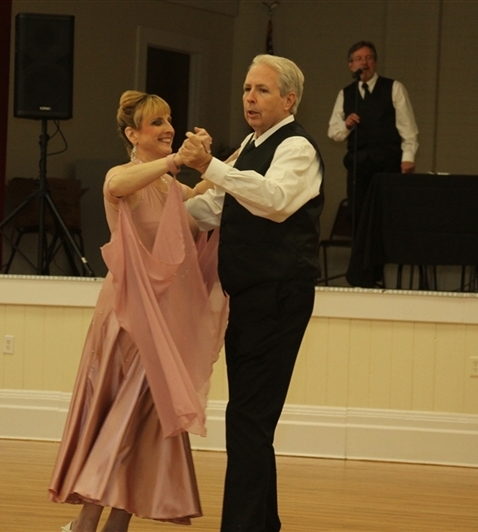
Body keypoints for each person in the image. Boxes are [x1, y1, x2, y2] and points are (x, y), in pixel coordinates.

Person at [48, 91, 228, 532]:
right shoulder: (123, 176)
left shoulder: (171, 187)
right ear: (132, 135)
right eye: (156, 123)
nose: (168, 128)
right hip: (129, 315)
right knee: (125, 414)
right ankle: (87, 522)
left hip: (162, 317)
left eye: (169, 120)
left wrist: (220, 159)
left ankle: (113, 523)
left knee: (147, 421)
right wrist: (176, 161)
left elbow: (201, 196)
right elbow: (116, 187)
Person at [179, 54, 323, 531]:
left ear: (289, 99)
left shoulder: (297, 148)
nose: (250, 98)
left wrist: (211, 165)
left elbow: (274, 201)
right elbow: (216, 208)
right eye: (246, 89)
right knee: (250, 420)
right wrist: (157, 212)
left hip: (279, 297)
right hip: (249, 298)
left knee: (248, 418)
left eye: (262, 90)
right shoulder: (249, 144)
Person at [327, 40, 419, 223]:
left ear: (375, 62)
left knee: (387, 212)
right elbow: (333, 132)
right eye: (359, 59)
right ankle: (360, 243)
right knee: (358, 213)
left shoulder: (394, 88)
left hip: (388, 162)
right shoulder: (346, 93)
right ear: (351, 65)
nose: (364, 62)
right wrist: (346, 125)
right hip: (358, 166)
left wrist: (408, 157)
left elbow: (407, 126)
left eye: (369, 58)